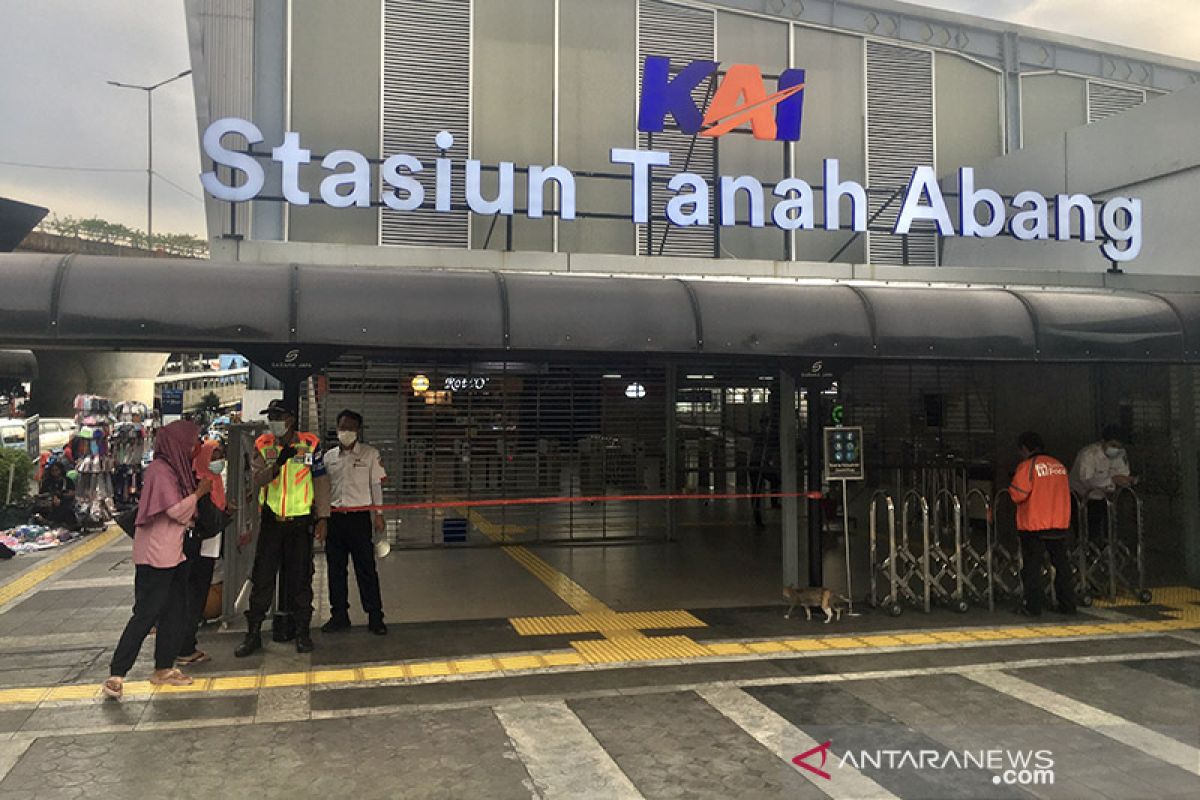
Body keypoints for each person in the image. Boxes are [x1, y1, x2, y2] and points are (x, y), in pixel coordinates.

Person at [103, 420, 212, 700]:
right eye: (189, 442)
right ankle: (117, 673)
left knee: (176, 610)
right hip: (156, 555)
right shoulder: (160, 471)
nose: (193, 447)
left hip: (174, 551)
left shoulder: (177, 470)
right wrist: (199, 494)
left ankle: (163, 667)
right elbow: (175, 510)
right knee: (147, 613)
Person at [235, 399, 329, 657]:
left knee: (301, 578)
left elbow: (320, 481)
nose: (273, 421)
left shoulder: (310, 443)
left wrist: (323, 517)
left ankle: (302, 633)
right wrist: (278, 464)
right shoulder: (262, 445)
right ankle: (252, 633)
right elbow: (258, 478)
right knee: (263, 577)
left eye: (278, 416)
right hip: (272, 522)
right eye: (271, 416)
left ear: (291, 419)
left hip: (300, 523)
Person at [322, 409, 388, 635]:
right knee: (335, 570)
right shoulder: (328, 457)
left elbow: (376, 486)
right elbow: (323, 489)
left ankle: (375, 616)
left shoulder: (370, 454)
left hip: (359, 519)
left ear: (358, 430)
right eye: (342, 426)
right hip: (334, 519)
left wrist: (378, 514)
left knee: (366, 569)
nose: (345, 431)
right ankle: (339, 615)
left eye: (350, 427)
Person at [1009, 431, 1076, 616]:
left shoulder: (1028, 467)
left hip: (1035, 524)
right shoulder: (1059, 466)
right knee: (1062, 565)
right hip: (1059, 523)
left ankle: (1033, 607)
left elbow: (1017, 494)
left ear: (1024, 448)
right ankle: (1068, 605)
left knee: (1032, 567)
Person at [177, 439, 227, 666]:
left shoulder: (214, 481)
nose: (218, 460)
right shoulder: (199, 480)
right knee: (194, 596)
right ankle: (185, 646)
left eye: (221, 455)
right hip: (198, 547)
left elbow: (214, 510)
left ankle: (187, 642)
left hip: (209, 545)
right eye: (214, 455)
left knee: (197, 595)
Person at [1069, 425, 1138, 542]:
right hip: (1081, 496)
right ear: (1102, 442)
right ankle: (1086, 552)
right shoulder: (1088, 455)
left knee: (1109, 528)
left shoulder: (1120, 454)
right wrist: (1112, 479)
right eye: (1113, 445)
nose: (1116, 449)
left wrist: (1127, 480)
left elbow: (1122, 473)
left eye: (1119, 447)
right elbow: (1087, 480)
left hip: (1105, 497)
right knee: (1087, 531)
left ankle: (1106, 549)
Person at [34, 461, 77, 529]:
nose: (55, 473)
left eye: (57, 470)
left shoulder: (67, 481)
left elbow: (72, 493)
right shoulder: (47, 481)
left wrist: (61, 496)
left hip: (64, 502)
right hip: (49, 503)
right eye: (53, 471)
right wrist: (51, 497)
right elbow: (42, 494)